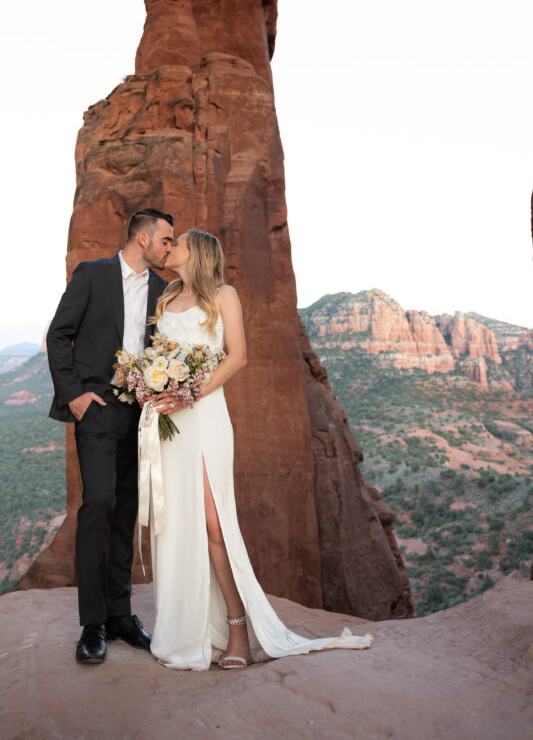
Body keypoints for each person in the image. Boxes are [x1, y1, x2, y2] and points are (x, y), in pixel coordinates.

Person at [146, 228, 373, 670]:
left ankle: (237, 628)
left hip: (206, 416)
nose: (170, 247)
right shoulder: (166, 297)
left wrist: (189, 394)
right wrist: (153, 384)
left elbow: (238, 357)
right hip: (170, 420)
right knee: (176, 522)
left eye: (179, 243)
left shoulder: (223, 296)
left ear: (199, 253)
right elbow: (158, 356)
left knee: (214, 524)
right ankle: (187, 629)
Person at [46, 207, 174, 664]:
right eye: (165, 240)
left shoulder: (162, 290)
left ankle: (121, 615)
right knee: (98, 505)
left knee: (126, 511)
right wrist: (74, 396)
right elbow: (59, 334)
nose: (169, 248)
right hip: (97, 411)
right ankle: (92, 623)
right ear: (143, 239)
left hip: (141, 416)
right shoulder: (93, 275)